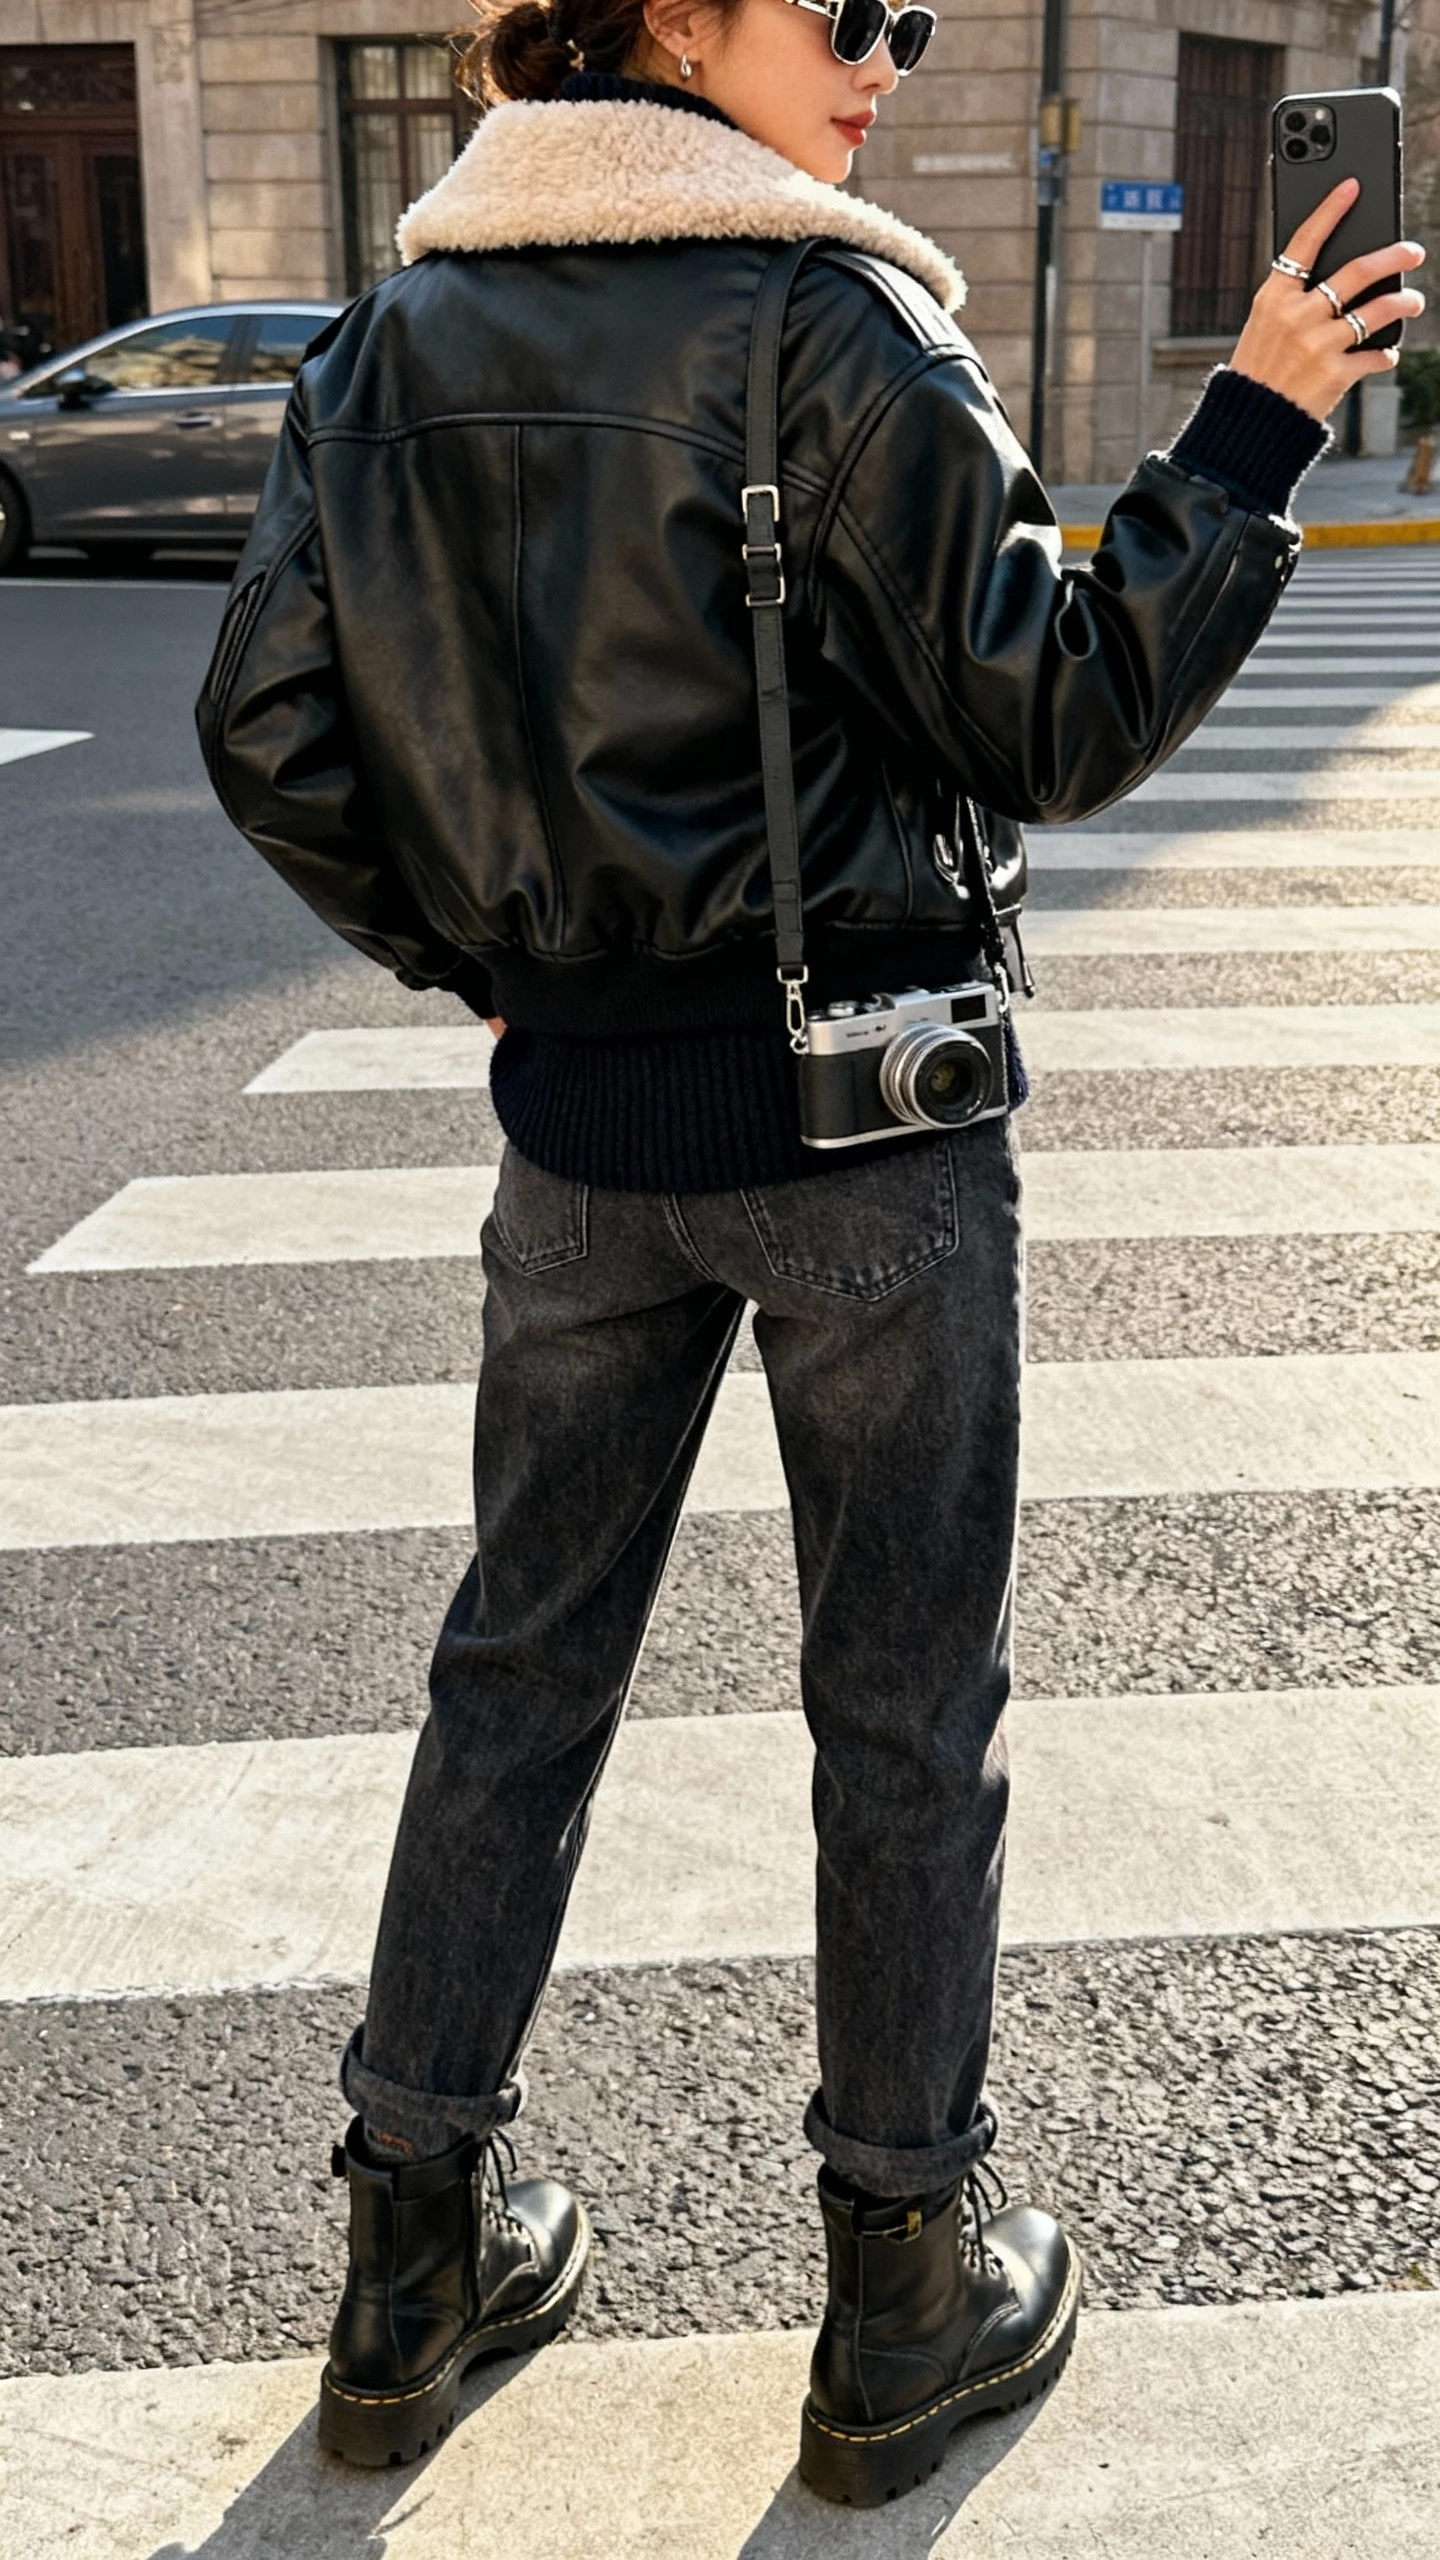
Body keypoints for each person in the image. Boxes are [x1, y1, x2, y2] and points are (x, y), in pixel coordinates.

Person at [197, 0, 1424, 2508]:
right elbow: (1055, 715)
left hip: (578, 1133)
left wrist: (511, 958)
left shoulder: (389, 337)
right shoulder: (823, 321)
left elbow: (266, 730)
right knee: (898, 1697)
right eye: (836, 11)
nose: (883, 51)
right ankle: (900, 2286)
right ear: (666, 20)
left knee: (517, 1666)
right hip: (864, 1128)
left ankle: (413, 2254)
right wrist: (1258, 421)